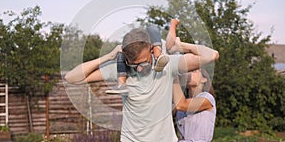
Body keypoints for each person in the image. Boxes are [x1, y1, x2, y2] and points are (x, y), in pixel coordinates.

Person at [64, 19, 219, 142]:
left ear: (152, 48)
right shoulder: (121, 70)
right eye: (135, 64)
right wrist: (108, 56)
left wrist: (181, 45)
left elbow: (211, 55)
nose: (140, 68)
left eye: (144, 62)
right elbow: (71, 78)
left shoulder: (167, 64)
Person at [107, 25, 170, 94]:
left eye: (144, 62)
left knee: (151, 28)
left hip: (159, 51)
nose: (139, 69)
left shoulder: (165, 49)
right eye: (133, 65)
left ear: (151, 49)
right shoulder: (123, 61)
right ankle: (121, 84)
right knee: (120, 53)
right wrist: (109, 56)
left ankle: (158, 57)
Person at [173, 68, 216, 142]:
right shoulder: (180, 102)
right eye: (187, 72)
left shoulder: (207, 98)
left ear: (204, 79)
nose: (188, 74)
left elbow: (182, 105)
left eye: (193, 71)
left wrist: (174, 77)